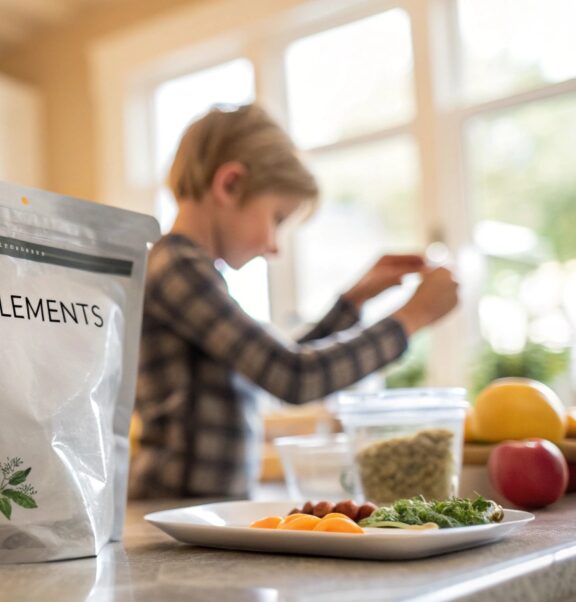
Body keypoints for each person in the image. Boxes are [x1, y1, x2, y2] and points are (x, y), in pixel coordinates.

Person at [131, 104, 459, 500]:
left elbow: (278, 361)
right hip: (168, 514)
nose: (273, 247)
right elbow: (292, 376)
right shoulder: (176, 268)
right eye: (277, 218)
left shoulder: (189, 270)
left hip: (193, 511)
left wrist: (352, 302)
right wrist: (413, 317)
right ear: (230, 184)